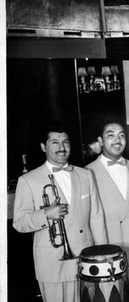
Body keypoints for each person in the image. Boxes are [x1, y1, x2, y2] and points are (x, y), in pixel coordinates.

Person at [13, 121, 108, 302]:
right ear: (43, 146)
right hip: (52, 262)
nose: (62, 147)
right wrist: (46, 214)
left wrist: (102, 255)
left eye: (65, 142)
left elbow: (96, 218)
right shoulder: (28, 180)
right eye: (55, 142)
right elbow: (19, 222)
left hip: (85, 259)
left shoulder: (86, 175)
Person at [86, 121, 129, 302]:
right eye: (110, 135)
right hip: (109, 251)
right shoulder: (87, 173)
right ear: (100, 141)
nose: (117, 140)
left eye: (121, 135)